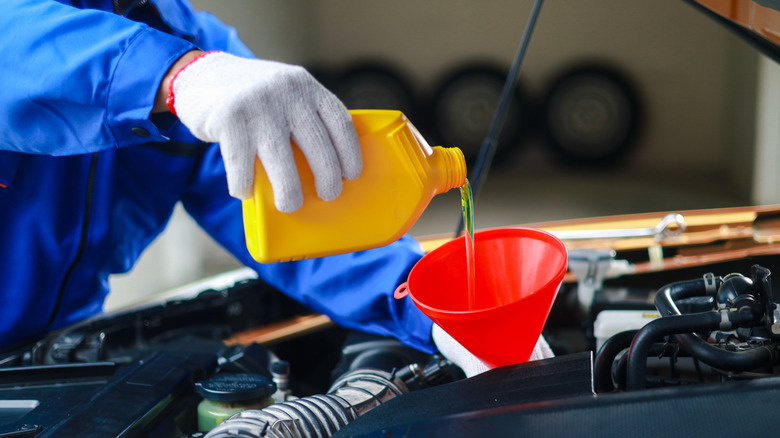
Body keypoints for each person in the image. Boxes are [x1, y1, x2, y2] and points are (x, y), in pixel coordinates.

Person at [0, 0, 550, 377]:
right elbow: (22, 50)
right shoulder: (188, 63)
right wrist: (173, 76)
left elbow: (302, 218)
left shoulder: (194, 42)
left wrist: (428, 308)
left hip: (49, 365)